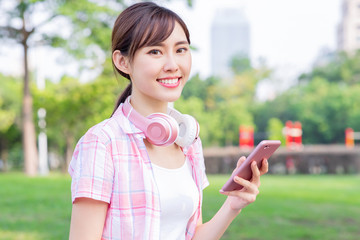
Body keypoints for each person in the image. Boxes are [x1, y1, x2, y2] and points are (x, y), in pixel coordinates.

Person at [68, 2, 268, 240]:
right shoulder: (102, 143)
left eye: (181, 50)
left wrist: (233, 205)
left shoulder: (188, 141)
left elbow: (191, 235)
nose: (173, 65)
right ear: (123, 62)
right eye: (155, 51)